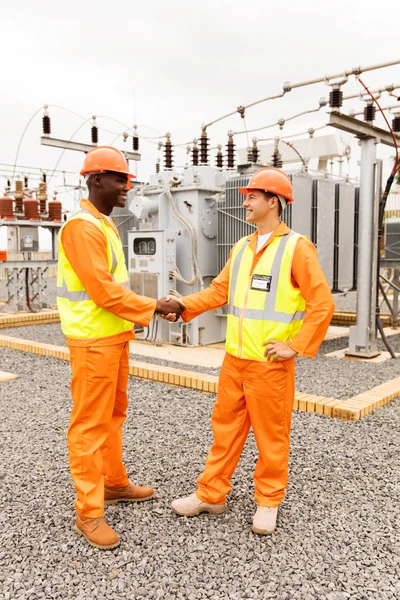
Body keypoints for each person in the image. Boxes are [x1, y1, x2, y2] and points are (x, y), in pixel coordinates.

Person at [167, 167, 335, 535]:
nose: (245, 201)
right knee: (224, 431)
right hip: (235, 362)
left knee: (271, 437)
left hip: (269, 365)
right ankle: (211, 494)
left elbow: (321, 304)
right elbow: (217, 292)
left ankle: (268, 502)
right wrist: (183, 306)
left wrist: (295, 346)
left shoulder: (296, 248)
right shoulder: (243, 247)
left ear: (273, 202)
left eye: (252, 196)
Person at [57, 146, 183, 550]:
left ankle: (112, 484)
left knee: (113, 415)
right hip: (93, 341)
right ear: (96, 180)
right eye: (119, 177)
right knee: (89, 427)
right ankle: (89, 513)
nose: (127, 185)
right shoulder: (82, 226)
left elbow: (112, 290)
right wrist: (154, 306)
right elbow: (103, 291)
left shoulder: (105, 224)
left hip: (112, 337)